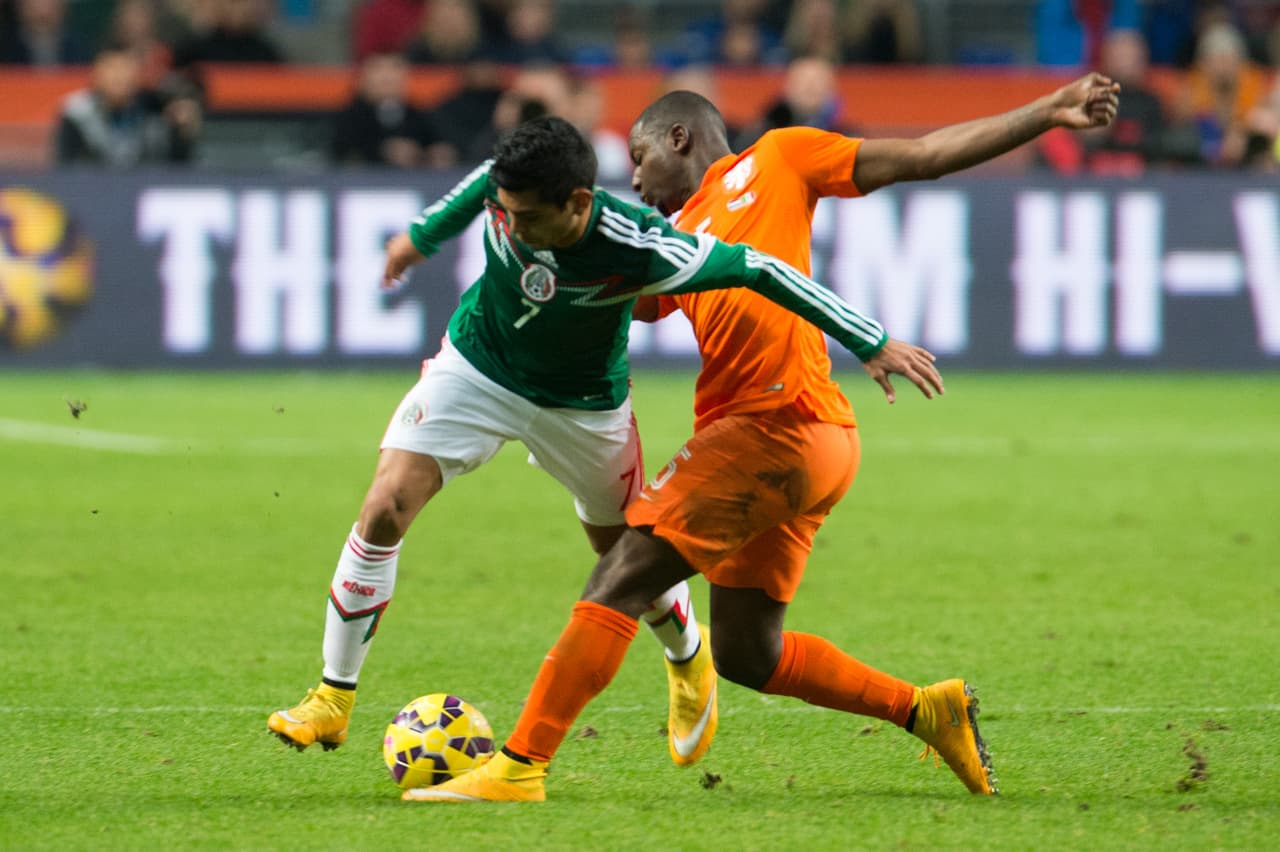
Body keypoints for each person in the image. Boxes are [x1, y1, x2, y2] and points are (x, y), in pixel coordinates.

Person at [402, 73, 1121, 804]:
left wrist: (1046, 113)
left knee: (620, 579)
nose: (639, 184)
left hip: (774, 428)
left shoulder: (778, 157)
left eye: (642, 162)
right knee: (748, 651)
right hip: (806, 443)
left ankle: (521, 765)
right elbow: (600, 300)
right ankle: (927, 710)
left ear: (676, 137)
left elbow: (926, 153)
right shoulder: (669, 243)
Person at [266, 115, 930, 760]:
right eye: (508, 214)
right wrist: (421, 236)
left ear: (578, 202)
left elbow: (762, 269)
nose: (514, 228)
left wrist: (869, 339)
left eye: (529, 218)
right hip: (477, 367)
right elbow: (480, 187)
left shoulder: (641, 244)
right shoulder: (510, 191)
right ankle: (332, 697)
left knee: (623, 555)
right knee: (386, 504)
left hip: (584, 407)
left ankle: (687, 654)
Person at [54, 42, 201, 167]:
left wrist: (183, 137)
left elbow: (177, 168)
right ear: (96, 74)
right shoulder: (76, 112)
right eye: (111, 67)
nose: (119, 76)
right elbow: (66, 167)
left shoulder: (158, 108)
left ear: (138, 74)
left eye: (126, 67)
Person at [331, 51, 436, 168]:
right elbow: (340, 152)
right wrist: (382, 151)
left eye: (394, 68)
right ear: (362, 78)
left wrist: (427, 154)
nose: (387, 76)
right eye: (378, 69)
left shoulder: (419, 114)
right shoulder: (348, 117)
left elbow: (438, 143)